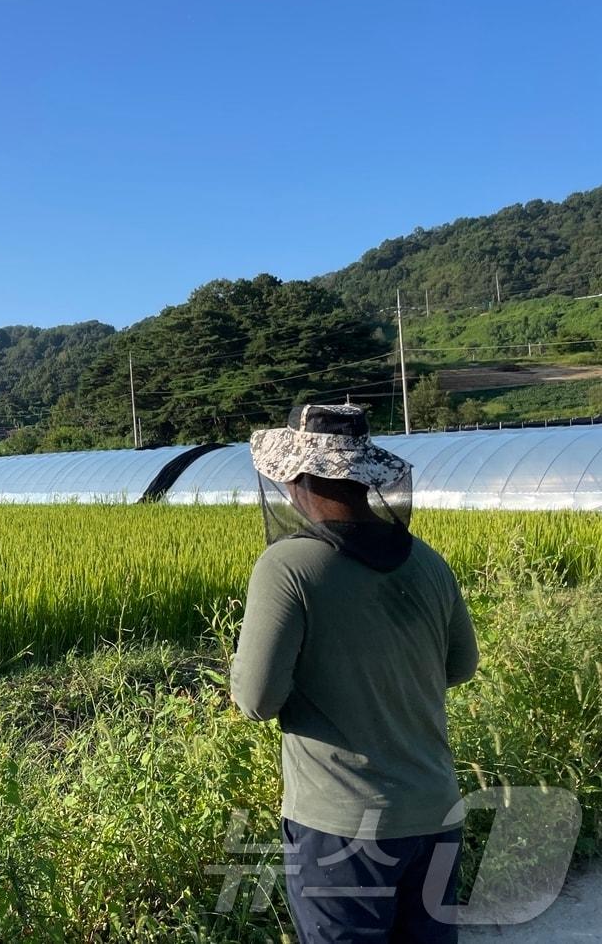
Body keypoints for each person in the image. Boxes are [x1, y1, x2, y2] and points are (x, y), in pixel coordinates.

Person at [232, 404, 479, 943]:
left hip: (343, 826)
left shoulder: (289, 566)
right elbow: (461, 665)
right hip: (435, 812)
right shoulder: (427, 561)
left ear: (296, 477)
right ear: (364, 479)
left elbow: (255, 699)